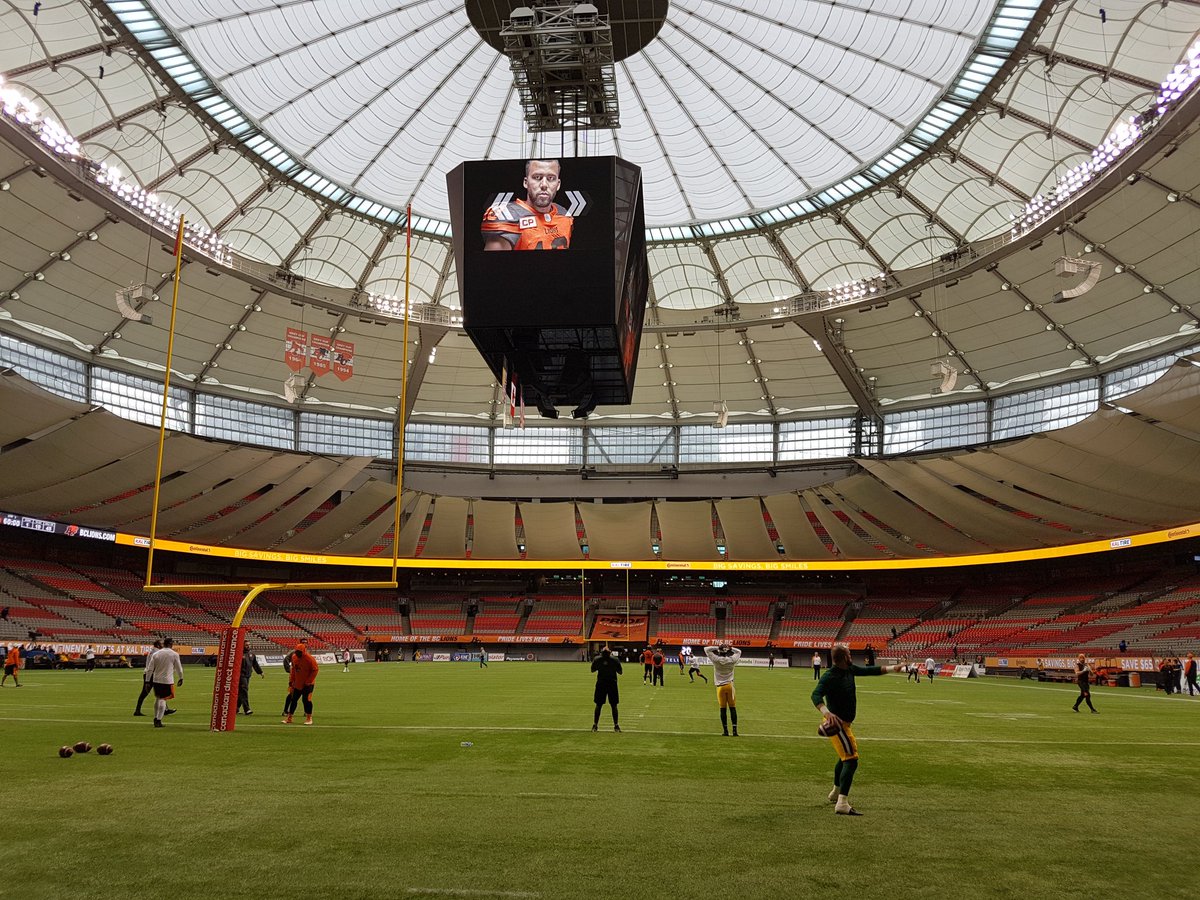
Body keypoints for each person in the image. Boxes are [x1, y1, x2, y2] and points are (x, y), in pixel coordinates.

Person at [811, 643, 907, 816]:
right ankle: (842, 802)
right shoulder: (830, 676)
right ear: (842, 658)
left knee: (843, 758)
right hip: (837, 725)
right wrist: (827, 713)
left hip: (845, 724)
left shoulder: (849, 669)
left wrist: (895, 668)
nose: (851, 656)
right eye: (848, 654)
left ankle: (835, 792)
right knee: (851, 760)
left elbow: (870, 670)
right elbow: (815, 695)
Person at [481, 159, 573, 251]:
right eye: (537, 177)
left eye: (551, 178)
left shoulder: (564, 215)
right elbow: (491, 264)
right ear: (526, 182)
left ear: (558, 184)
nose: (544, 185)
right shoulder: (506, 215)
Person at [703, 644, 742, 736]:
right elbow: (739, 652)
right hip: (730, 685)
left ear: (719, 651)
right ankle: (735, 730)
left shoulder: (716, 660)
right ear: (727, 651)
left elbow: (706, 649)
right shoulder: (732, 660)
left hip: (720, 687)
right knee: (732, 708)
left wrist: (717, 647)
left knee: (722, 709)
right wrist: (731, 648)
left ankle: (725, 731)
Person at [146, 637, 183, 728]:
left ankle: (155, 717)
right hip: (167, 680)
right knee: (163, 699)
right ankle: (158, 720)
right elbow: (179, 668)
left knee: (158, 698)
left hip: (156, 680)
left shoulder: (156, 654)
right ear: (171, 644)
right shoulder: (174, 654)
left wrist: (147, 681)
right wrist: (181, 677)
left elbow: (150, 669)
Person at [282, 643, 319, 725]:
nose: (297, 654)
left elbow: (315, 670)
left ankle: (309, 718)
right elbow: (293, 670)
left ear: (303, 651)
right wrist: (291, 681)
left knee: (306, 700)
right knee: (293, 700)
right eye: (296, 652)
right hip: (297, 683)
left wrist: (309, 681)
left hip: (308, 684)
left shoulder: (310, 659)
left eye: (299, 652)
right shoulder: (294, 657)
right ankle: (289, 718)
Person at [590, 646, 622, 732]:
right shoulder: (615, 660)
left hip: (601, 683)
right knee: (614, 705)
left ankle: (595, 725)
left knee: (598, 705)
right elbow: (620, 672)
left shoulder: (597, 659)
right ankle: (616, 725)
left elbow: (592, 670)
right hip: (612, 683)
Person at [134, 640, 163, 715]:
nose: (162, 645)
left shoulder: (153, 651)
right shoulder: (156, 652)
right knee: (146, 692)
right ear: (158, 645)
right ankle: (137, 710)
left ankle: (165, 709)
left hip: (150, 673)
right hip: (151, 674)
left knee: (160, 691)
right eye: (161, 644)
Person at [237, 647, 263, 715]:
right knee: (244, 690)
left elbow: (255, 664)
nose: (248, 646)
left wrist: (260, 672)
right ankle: (247, 709)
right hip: (241, 675)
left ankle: (235, 708)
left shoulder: (252, 654)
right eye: (246, 645)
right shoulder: (238, 653)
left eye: (248, 645)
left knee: (242, 692)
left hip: (248, 675)